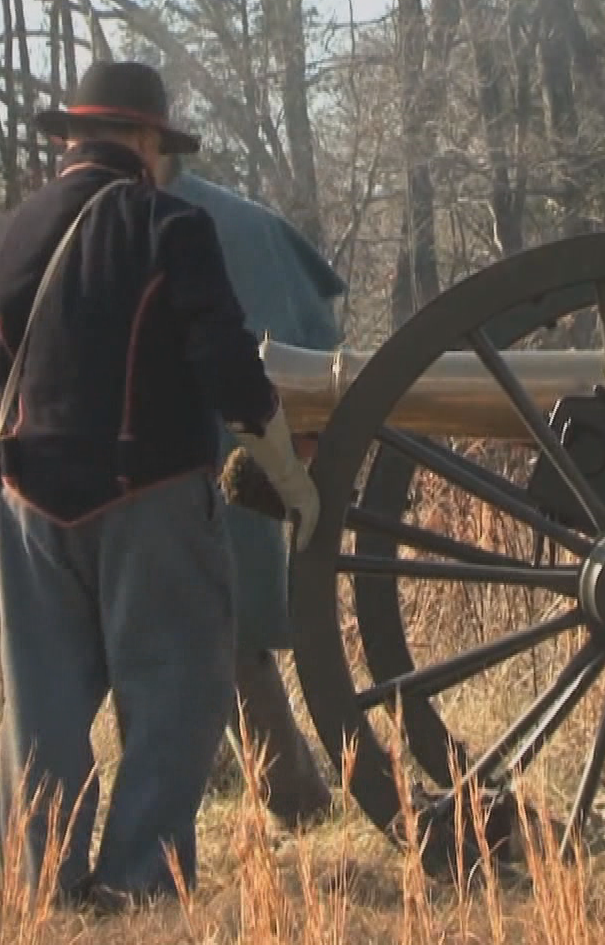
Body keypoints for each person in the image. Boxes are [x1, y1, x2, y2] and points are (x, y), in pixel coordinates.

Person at [0, 59, 320, 911]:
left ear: (73, 137)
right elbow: (227, 364)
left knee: (42, 709)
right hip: (150, 493)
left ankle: (42, 882)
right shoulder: (172, 228)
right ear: (148, 141)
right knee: (174, 700)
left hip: (28, 506)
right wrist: (287, 472)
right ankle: (139, 883)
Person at [167, 164, 342, 828]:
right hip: (257, 435)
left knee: (219, 628)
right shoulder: (248, 223)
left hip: (205, 444)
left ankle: (292, 797)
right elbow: (321, 337)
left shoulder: (134, 223)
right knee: (230, 624)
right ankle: (293, 796)